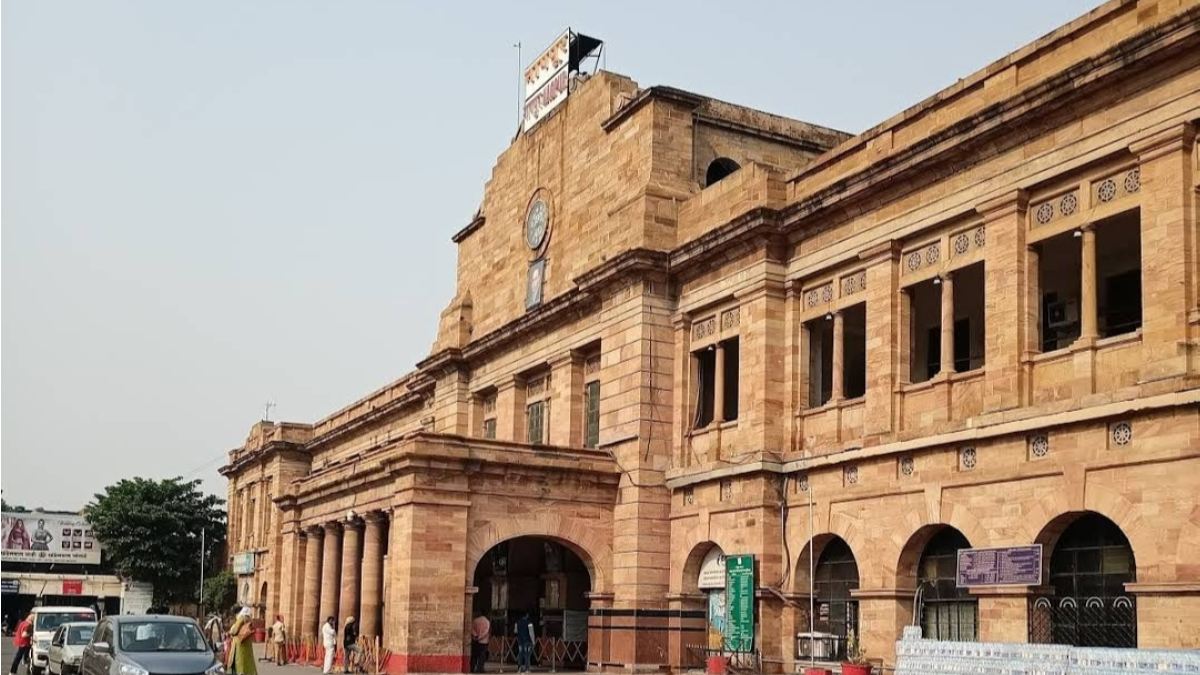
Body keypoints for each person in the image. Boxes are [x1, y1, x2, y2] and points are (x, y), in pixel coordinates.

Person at [226, 607, 257, 675]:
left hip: (239, 644)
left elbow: (235, 630)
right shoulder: (249, 620)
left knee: (239, 662)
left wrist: (230, 632)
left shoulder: (242, 618)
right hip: (247, 643)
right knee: (248, 661)